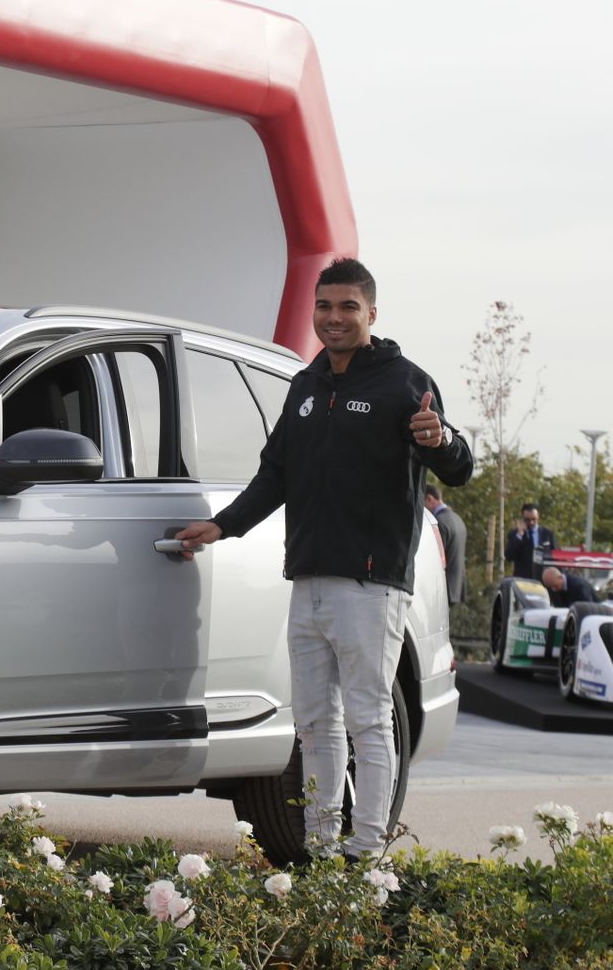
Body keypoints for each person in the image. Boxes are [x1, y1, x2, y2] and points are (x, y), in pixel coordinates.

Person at [175, 257, 473, 863]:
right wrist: (223, 526)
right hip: (306, 579)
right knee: (313, 724)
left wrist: (438, 439)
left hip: (369, 584)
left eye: (347, 308)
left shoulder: (403, 383)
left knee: (368, 720)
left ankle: (367, 854)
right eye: (324, 307)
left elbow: (460, 467)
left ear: (371, 314)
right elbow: (275, 474)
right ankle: (322, 848)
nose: (333, 319)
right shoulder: (307, 385)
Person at [424, 484, 468, 606]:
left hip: (443, 588)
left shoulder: (438, 522)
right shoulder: (457, 519)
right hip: (456, 586)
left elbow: (435, 559)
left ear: (429, 499)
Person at [504, 504, 555, 579]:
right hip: (523, 578)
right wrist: (519, 535)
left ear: (538, 517)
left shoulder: (547, 534)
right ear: (522, 518)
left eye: (534, 519)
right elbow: (509, 556)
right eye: (527, 520)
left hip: (544, 578)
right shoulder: (515, 534)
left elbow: (554, 555)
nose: (531, 522)